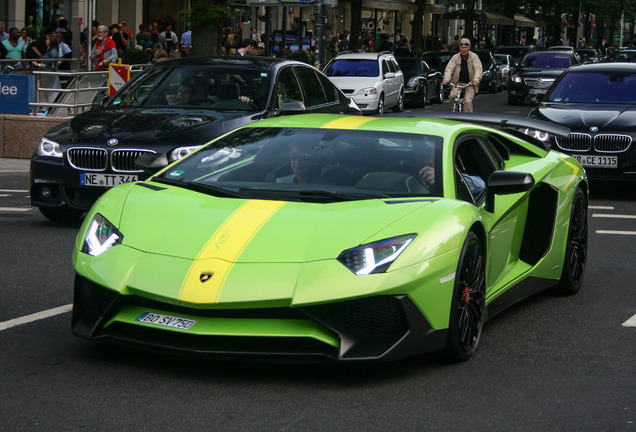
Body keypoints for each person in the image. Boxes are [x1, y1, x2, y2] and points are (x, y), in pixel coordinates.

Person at [442, 37, 482, 112]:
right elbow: (449, 68)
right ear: (459, 48)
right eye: (462, 47)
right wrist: (446, 78)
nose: (463, 49)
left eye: (465, 47)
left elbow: (478, 69)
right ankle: (454, 111)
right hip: (457, 82)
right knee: (452, 96)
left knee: (467, 101)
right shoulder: (455, 57)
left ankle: (468, 120)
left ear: (469, 48)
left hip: (470, 83)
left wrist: (476, 79)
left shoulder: (474, 57)